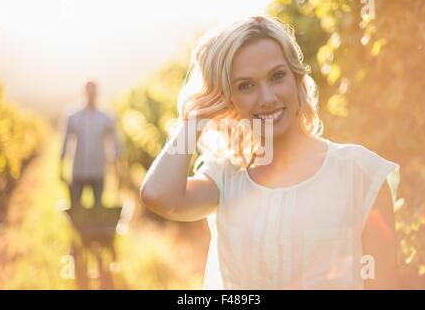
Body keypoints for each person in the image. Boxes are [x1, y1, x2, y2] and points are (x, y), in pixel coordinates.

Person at [140, 15, 400, 290]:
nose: (267, 98)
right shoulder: (226, 179)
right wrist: (195, 118)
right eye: (246, 85)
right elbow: (158, 196)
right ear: (228, 99)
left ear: (297, 78)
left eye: (277, 77)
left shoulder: (360, 173)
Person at [60, 81, 122, 209]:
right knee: (76, 207)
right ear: (84, 93)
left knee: (98, 206)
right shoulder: (73, 116)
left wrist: (118, 168)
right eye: (89, 92)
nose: (91, 95)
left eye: (93, 92)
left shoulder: (106, 117)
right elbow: (65, 141)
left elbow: (115, 142)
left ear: (97, 93)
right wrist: (61, 167)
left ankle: (96, 228)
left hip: (98, 169)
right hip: (78, 169)